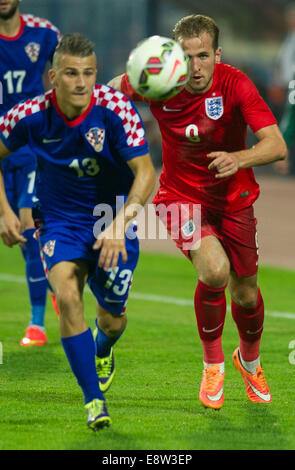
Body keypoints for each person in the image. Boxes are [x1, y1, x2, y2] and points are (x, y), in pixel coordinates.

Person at [108, 14, 287, 409]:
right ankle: (213, 364)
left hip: (234, 200)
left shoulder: (235, 83)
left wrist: (239, 158)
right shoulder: (161, 82)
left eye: (204, 56)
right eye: (187, 57)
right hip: (178, 198)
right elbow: (108, 93)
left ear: (217, 54)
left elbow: (276, 145)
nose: (195, 66)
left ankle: (249, 360)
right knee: (214, 270)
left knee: (246, 294)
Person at [0, 33, 156, 430]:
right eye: (71, 73)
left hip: (110, 218)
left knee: (112, 319)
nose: (81, 82)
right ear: (54, 77)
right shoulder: (29, 116)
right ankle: (93, 401)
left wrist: (121, 223)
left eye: (88, 73)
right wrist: (4, 210)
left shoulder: (116, 109)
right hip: (58, 220)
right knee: (68, 296)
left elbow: (145, 172)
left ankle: (103, 348)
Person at [0, 0, 61, 346]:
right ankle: (54, 281)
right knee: (19, 237)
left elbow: (72, 70)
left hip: (32, 151)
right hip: (0, 151)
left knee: (28, 229)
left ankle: (36, 324)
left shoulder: (45, 33)